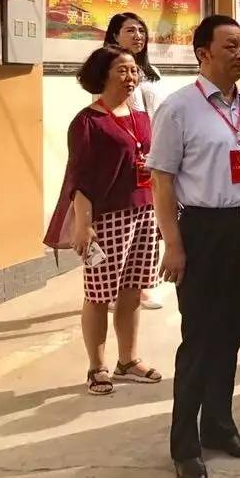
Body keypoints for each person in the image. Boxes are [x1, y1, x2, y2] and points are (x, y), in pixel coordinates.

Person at [149, 15, 240, 478]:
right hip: (204, 232)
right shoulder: (179, 108)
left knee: (230, 336)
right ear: (202, 53)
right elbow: (162, 181)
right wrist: (174, 245)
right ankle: (185, 445)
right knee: (200, 339)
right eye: (231, 46)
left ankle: (219, 426)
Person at [45, 45, 162, 396]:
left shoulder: (141, 118)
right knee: (98, 294)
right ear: (103, 75)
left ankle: (128, 360)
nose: (131, 77)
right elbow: (79, 179)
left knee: (133, 289)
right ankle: (97, 367)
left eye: (134, 70)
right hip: (107, 218)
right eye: (122, 70)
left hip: (144, 211)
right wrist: (84, 224)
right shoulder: (87, 122)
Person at [104, 11, 164, 309]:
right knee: (121, 223)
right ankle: (113, 288)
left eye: (141, 30)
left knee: (150, 222)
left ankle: (142, 286)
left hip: (152, 153)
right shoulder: (107, 70)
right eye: (130, 30)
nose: (138, 35)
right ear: (115, 35)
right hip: (125, 153)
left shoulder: (150, 73)